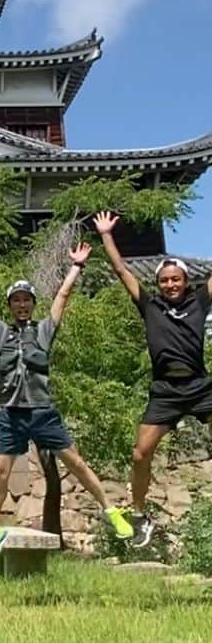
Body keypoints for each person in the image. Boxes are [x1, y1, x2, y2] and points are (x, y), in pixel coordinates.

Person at [0, 243, 133, 558]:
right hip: (13, 414)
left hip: (43, 412)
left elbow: (62, 298)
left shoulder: (43, 331)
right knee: (0, 473)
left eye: (26, 300)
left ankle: (112, 511)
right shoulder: (1, 332)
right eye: (16, 300)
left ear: (32, 304)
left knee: (77, 462)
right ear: (10, 305)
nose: (21, 305)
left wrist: (76, 267)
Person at [94, 211, 212, 547]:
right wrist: (106, 235)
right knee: (140, 454)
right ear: (158, 284)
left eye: (176, 279)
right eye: (165, 280)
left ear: (186, 281)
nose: (171, 284)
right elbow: (121, 270)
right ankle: (140, 513)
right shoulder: (150, 306)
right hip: (165, 390)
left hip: (200, 385)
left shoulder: (200, 301)